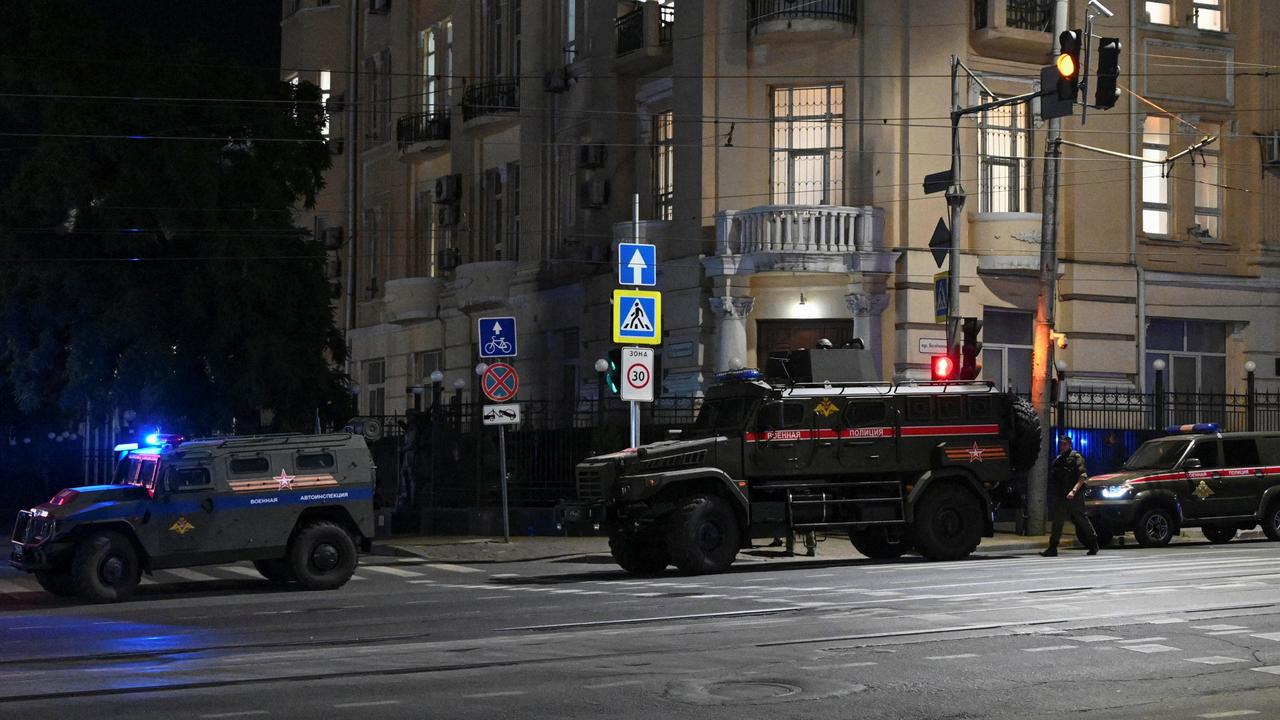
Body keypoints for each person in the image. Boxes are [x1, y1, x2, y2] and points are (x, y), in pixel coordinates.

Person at [1042, 434, 1100, 557]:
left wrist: (1074, 491)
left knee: (1081, 519)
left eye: (1064, 444)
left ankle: (1093, 544)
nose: (1061, 446)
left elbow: (1082, 476)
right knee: (1057, 522)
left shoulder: (1076, 457)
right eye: (1060, 444)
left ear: (1069, 444)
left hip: (1075, 496)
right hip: (1061, 495)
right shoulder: (1058, 459)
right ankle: (1052, 547)